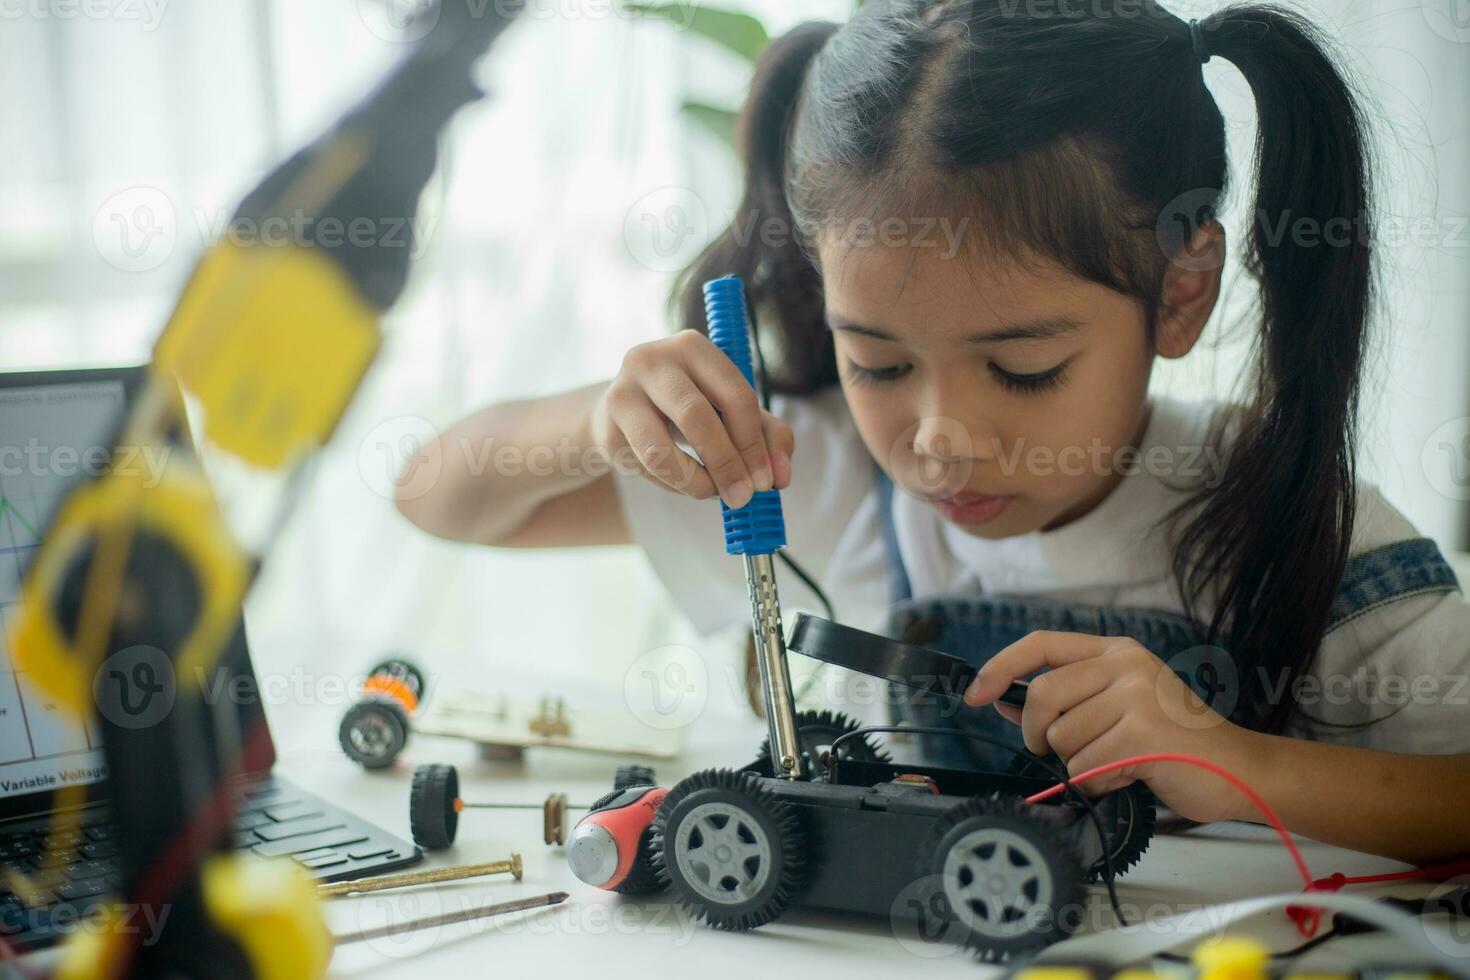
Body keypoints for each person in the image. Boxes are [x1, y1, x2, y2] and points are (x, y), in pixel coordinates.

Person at [396, 1, 1470, 865]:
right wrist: (595, 421)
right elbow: (434, 493)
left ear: (1181, 292)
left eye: (1024, 367)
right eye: (879, 362)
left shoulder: (1289, 517)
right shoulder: (798, 476)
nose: (942, 440)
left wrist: (1235, 759)